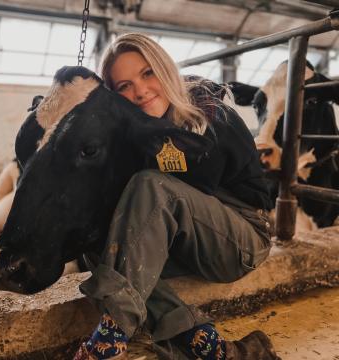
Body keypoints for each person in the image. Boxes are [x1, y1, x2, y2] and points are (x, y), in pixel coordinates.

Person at [73, 33, 280, 360]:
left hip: (240, 236)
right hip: (186, 237)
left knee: (151, 186)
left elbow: (188, 186)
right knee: (98, 238)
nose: (140, 91)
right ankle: (212, 348)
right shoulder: (138, 127)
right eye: (124, 86)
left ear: (165, 69)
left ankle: (110, 336)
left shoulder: (208, 113)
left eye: (147, 73)